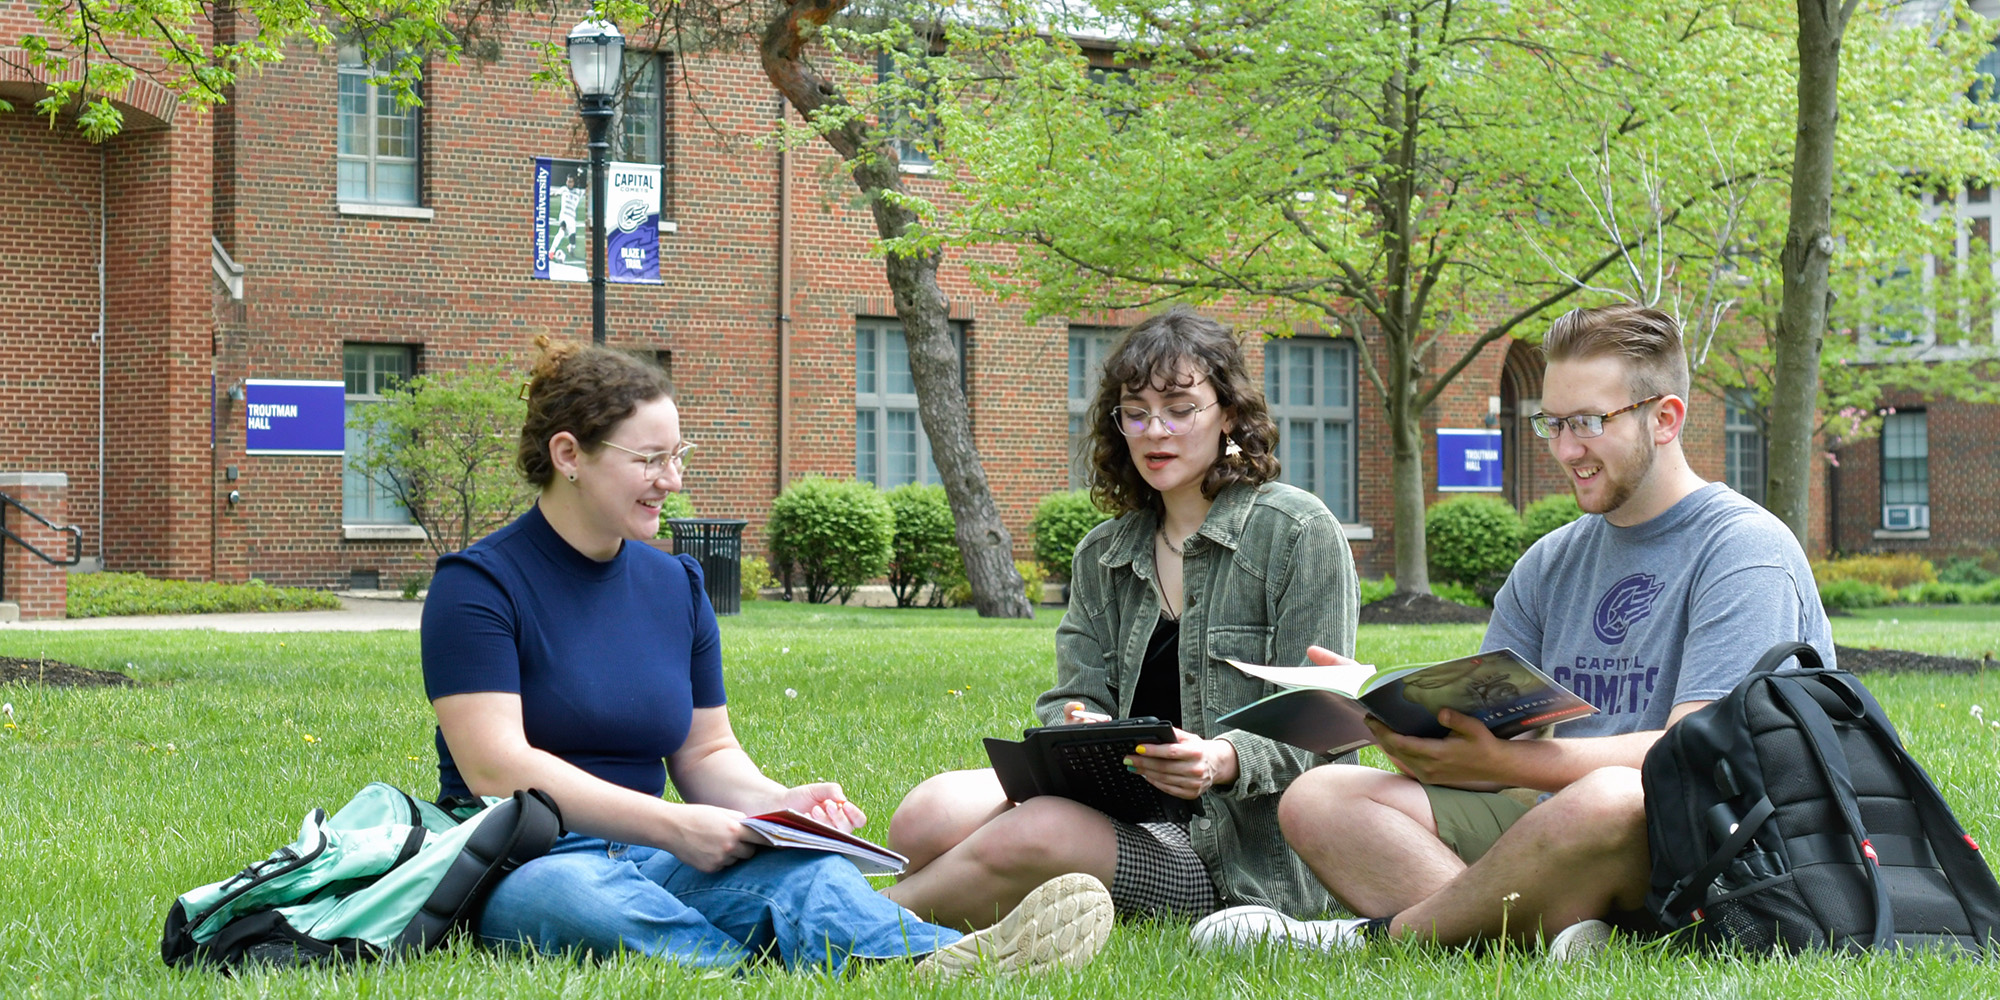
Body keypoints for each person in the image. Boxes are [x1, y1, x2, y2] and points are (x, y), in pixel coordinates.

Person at [420, 337, 1112, 976]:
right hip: (526, 861)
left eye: (678, 454)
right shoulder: (478, 585)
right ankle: (743, 966)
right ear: (570, 455)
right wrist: (676, 826)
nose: (672, 478)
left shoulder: (674, 585)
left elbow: (706, 755)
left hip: (654, 856)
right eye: (650, 459)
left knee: (806, 869)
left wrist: (779, 807)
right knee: (567, 896)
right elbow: (496, 767)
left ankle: (937, 960)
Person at [1191, 303, 1834, 958]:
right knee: (1319, 798)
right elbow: (1501, 734)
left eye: (1587, 423)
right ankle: (1551, 935)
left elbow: (1700, 759)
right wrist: (1410, 730)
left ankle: (1379, 939)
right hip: (1547, 816)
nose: (1564, 449)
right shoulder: (1549, 563)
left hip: (1693, 834)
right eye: (1552, 423)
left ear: (1664, 418)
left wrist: (1513, 762)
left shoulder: (1744, 549)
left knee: (1609, 797)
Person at [883, 307, 1360, 929]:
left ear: (1231, 416)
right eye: (1136, 412)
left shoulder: (1297, 532)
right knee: (925, 815)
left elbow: (1323, 723)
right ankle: (940, 916)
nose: (1155, 430)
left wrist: (1220, 758)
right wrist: (1081, 723)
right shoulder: (1105, 553)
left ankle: (848, 925)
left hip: (1233, 853)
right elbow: (1072, 693)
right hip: (1122, 803)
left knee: (1039, 830)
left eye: (1180, 408)